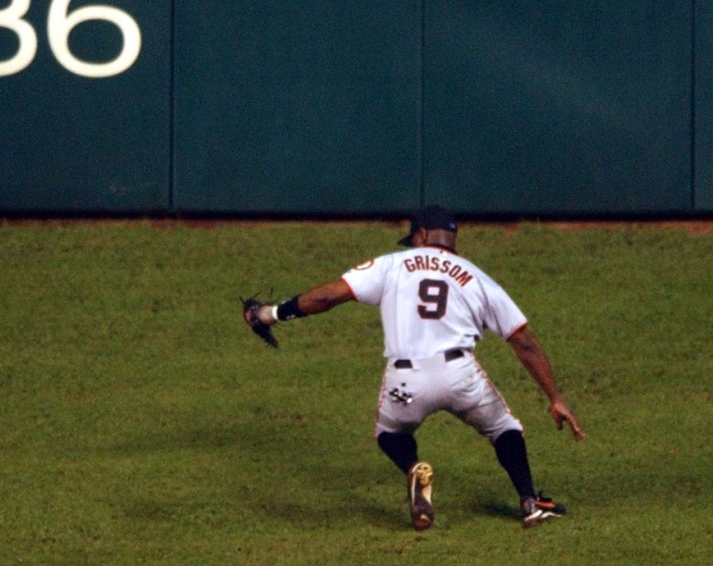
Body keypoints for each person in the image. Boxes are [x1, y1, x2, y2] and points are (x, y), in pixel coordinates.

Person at [248, 205, 585, 529]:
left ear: (421, 235)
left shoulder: (391, 265)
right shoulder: (477, 278)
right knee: (502, 427)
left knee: (389, 434)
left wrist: (272, 314)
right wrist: (554, 397)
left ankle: (412, 468)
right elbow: (523, 341)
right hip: (460, 376)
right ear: (452, 239)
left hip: (405, 381)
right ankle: (529, 502)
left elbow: (327, 297)